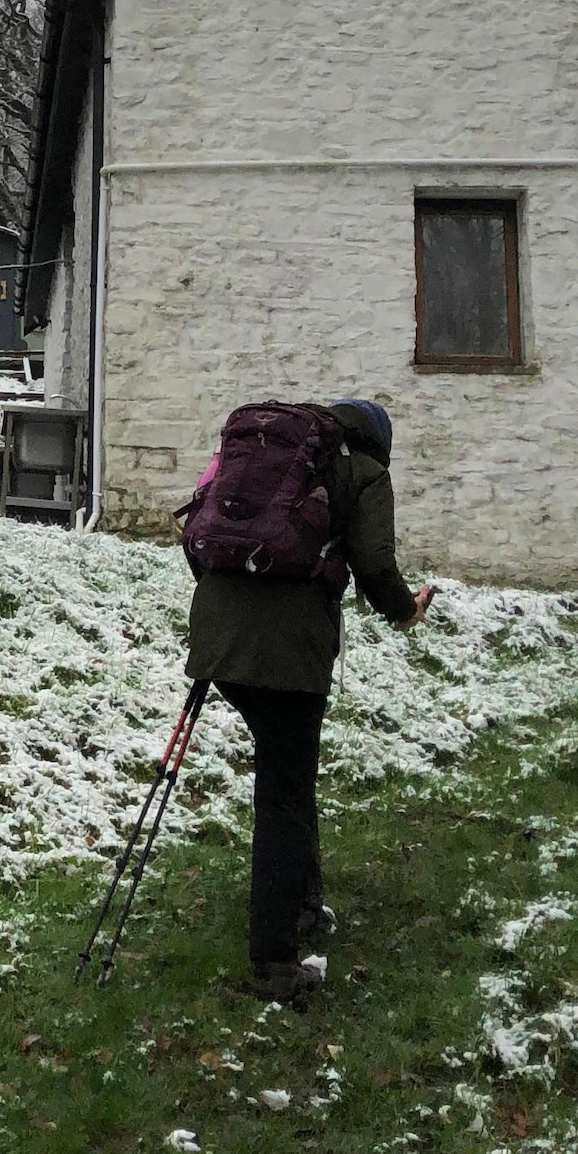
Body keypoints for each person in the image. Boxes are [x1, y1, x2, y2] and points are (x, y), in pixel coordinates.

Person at [181, 394, 422, 1007]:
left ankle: (304, 904)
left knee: (285, 774)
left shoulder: (256, 454)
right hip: (288, 654)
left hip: (218, 641)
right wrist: (405, 611)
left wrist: (228, 609)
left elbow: (198, 535)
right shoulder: (363, 472)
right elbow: (373, 563)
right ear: (378, 443)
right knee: (285, 796)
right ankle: (274, 963)